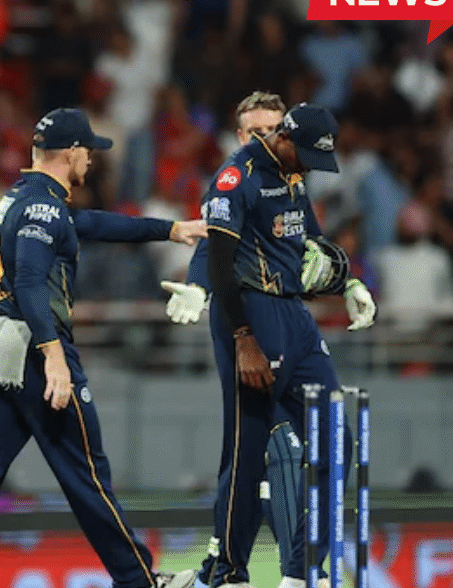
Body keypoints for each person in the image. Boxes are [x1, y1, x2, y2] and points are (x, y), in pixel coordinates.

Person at [0, 108, 206, 588]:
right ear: (71, 152)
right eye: (88, 151)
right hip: (33, 350)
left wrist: (171, 230)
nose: (91, 159)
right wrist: (54, 358)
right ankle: (139, 580)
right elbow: (30, 282)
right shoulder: (44, 208)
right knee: (86, 473)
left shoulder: (22, 197)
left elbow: (92, 223)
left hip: (0, 344)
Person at [161, 100, 376, 588]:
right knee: (249, 451)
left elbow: (310, 238)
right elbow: (218, 257)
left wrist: (349, 283)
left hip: (295, 317)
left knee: (336, 440)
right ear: (285, 140)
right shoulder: (236, 178)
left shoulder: (293, 173)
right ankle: (228, 571)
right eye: (307, 156)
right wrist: (242, 337)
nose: (310, 168)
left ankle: (301, 571)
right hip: (252, 314)